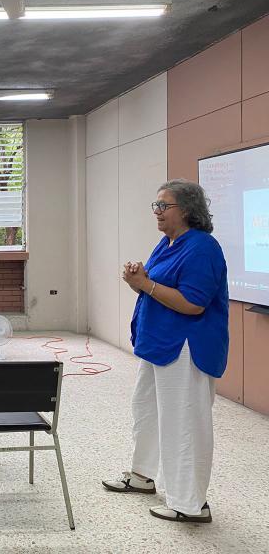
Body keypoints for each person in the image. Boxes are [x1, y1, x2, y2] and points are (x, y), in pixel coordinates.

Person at [103, 179, 228, 523]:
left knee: (184, 423)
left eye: (164, 206)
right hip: (159, 344)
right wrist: (139, 278)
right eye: (155, 206)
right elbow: (155, 285)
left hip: (187, 348)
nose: (156, 212)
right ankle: (142, 475)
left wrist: (146, 284)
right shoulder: (168, 242)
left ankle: (190, 504)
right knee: (146, 412)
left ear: (187, 210)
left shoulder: (203, 248)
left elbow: (193, 304)